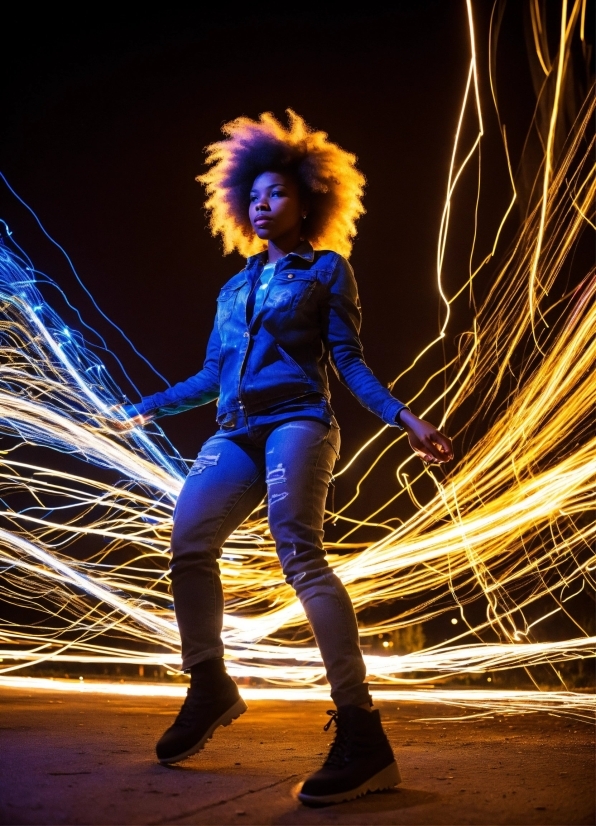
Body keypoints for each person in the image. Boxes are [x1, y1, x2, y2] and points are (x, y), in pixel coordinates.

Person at [119, 111, 453, 806]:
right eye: (255, 196)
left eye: (277, 193)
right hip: (235, 429)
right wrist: (148, 405)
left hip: (298, 421)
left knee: (299, 552)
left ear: (308, 201)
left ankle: (363, 732)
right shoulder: (233, 289)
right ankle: (210, 683)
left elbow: (349, 364)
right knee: (188, 542)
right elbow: (211, 375)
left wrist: (404, 419)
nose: (262, 204)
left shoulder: (327, 271)